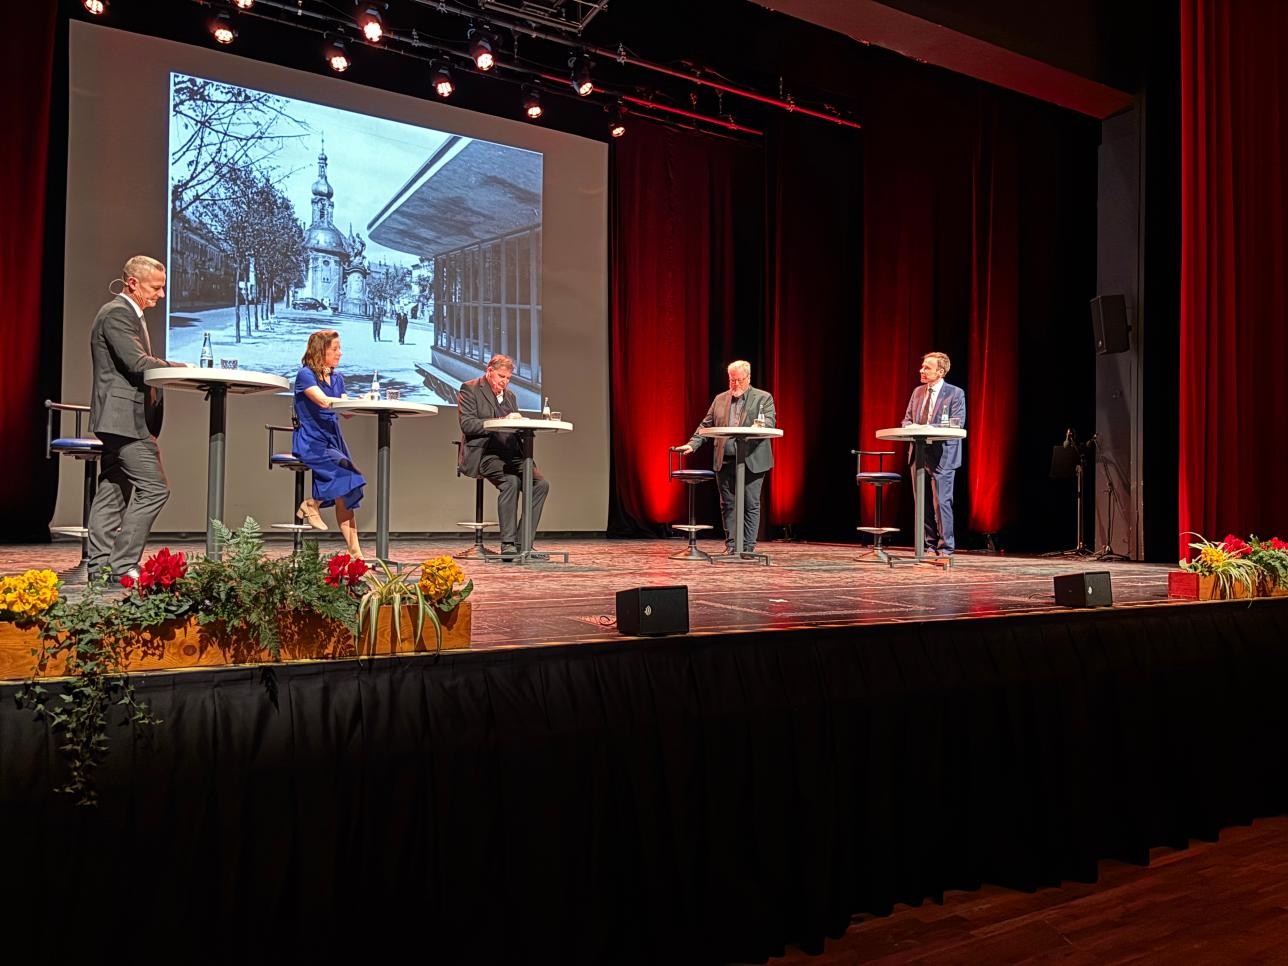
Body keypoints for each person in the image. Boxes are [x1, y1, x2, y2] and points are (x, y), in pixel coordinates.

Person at [86, 256, 190, 583]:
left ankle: (99, 568)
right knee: (155, 490)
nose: (161, 294)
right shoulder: (117, 313)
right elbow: (137, 363)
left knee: (114, 490)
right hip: (124, 421)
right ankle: (120, 567)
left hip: (120, 420)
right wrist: (180, 370)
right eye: (155, 287)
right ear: (133, 283)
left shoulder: (130, 314)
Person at [676, 360, 776, 555]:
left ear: (748, 378)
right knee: (728, 504)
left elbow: (770, 421)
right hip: (726, 459)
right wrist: (692, 444)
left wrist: (760, 426)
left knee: (750, 503)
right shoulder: (720, 399)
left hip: (752, 460)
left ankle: (747, 547)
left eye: (739, 380)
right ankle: (731, 546)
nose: (735, 385)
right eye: (732, 380)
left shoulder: (763, 398)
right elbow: (706, 424)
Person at [457, 354, 550, 560]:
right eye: (501, 376)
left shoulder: (510, 397)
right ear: (489, 371)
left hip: (512, 454)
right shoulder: (470, 389)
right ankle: (508, 544)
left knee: (540, 484)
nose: (504, 381)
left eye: (508, 378)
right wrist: (499, 420)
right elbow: (468, 424)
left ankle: (523, 544)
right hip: (487, 454)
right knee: (511, 482)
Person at [293, 330, 367, 559]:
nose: (339, 353)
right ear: (320, 351)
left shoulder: (337, 378)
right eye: (334, 349)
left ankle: (356, 552)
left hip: (333, 439)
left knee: (348, 490)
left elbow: (345, 413)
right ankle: (310, 503)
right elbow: (324, 402)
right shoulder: (305, 375)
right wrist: (347, 402)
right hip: (312, 441)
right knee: (349, 477)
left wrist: (362, 403)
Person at [901, 351, 966, 556]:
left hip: (943, 456)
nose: (921, 370)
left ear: (940, 371)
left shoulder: (955, 393)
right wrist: (911, 428)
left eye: (927, 368)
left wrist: (927, 428)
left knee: (941, 503)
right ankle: (928, 546)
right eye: (922, 367)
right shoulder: (917, 392)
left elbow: (957, 424)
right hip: (918, 454)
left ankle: (946, 548)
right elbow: (907, 420)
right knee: (922, 503)